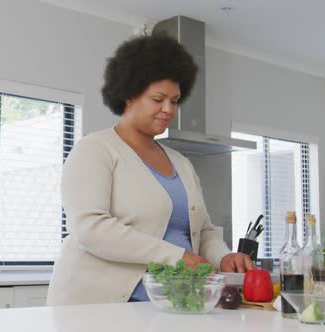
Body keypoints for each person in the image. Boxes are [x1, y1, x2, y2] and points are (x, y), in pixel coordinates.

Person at [46, 35, 254, 306]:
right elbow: (91, 228)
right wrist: (177, 257)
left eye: (175, 101)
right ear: (129, 95)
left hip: (169, 304)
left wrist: (223, 256)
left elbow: (203, 231)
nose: (168, 109)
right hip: (99, 305)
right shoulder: (95, 150)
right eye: (158, 99)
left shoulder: (181, 163)